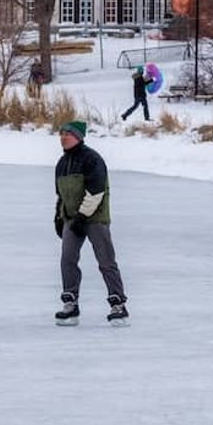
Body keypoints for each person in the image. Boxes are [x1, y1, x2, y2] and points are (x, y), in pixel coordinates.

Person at [53, 119, 128, 326]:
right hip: (72, 218)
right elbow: (61, 195)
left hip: (95, 218)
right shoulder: (62, 164)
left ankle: (118, 304)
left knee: (106, 262)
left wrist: (82, 217)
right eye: (61, 133)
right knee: (67, 259)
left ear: (78, 137)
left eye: (67, 134)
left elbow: (96, 192)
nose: (62, 137)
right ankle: (70, 303)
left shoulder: (92, 159)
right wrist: (59, 218)